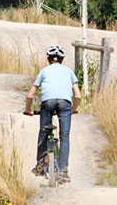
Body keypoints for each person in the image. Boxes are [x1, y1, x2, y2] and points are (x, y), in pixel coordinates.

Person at [24, 44, 81, 184]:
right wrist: (73, 109)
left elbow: (30, 95)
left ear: (47, 59)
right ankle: (63, 171)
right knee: (64, 135)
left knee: (43, 131)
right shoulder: (68, 71)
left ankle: (40, 165)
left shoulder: (44, 71)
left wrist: (28, 110)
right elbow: (78, 96)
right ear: (62, 60)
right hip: (65, 103)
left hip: (47, 102)